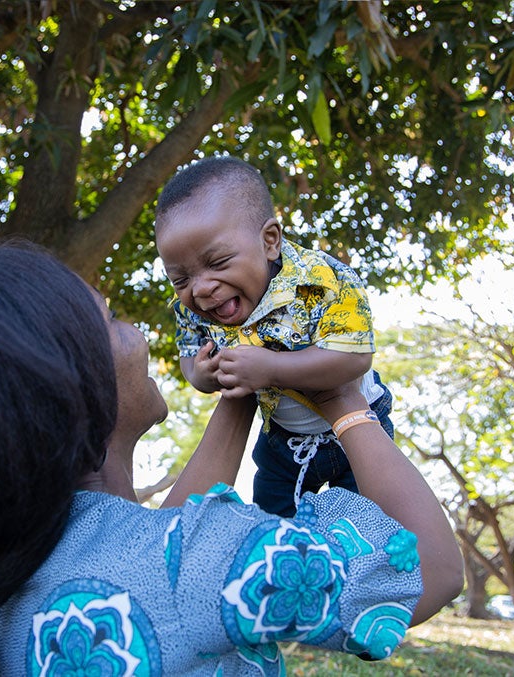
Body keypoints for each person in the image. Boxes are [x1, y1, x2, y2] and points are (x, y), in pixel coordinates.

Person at [0, 243, 462, 676]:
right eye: (114, 318)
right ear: (72, 388)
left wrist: (244, 385)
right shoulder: (201, 561)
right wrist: (346, 402)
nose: (142, 332)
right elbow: (430, 571)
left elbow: (162, 538)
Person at [155, 155, 394, 518]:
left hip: (353, 425)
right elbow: (190, 355)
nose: (201, 289)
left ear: (269, 241)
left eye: (218, 263)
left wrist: (272, 369)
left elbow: (354, 358)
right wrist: (201, 376)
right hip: (281, 439)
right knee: (271, 521)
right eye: (181, 280)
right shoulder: (191, 310)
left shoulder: (323, 280)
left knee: (369, 524)